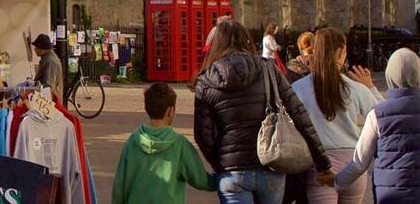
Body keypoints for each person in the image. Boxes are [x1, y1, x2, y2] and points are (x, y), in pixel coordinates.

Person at [194, 17, 331, 204]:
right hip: (271, 163)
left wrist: (221, 163)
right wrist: (321, 161)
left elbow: (203, 134)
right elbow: (299, 114)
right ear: (246, 40)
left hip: (232, 172)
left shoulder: (206, 80)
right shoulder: (268, 69)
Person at [334, 49, 420, 204]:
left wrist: (336, 182)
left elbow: (359, 162)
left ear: (389, 75)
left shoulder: (378, 114)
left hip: (391, 196)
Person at [292, 29, 383, 204]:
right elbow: (385, 116)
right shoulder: (356, 89)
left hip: (320, 165)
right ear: (342, 52)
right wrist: (370, 87)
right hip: (353, 165)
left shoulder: (298, 88)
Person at [114, 83, 214, 203]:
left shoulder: (132, 142)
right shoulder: (180, 144)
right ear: (171, 111)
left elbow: (119, 186)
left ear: (147, 108)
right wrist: (222, 178)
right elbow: (200, 180)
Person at [33, 33, 66, 103]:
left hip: (51, 103)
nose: (35, 49)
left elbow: (48, 87)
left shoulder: (50, 61)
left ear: (43, 49)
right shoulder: (47, 59)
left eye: (36, 47)